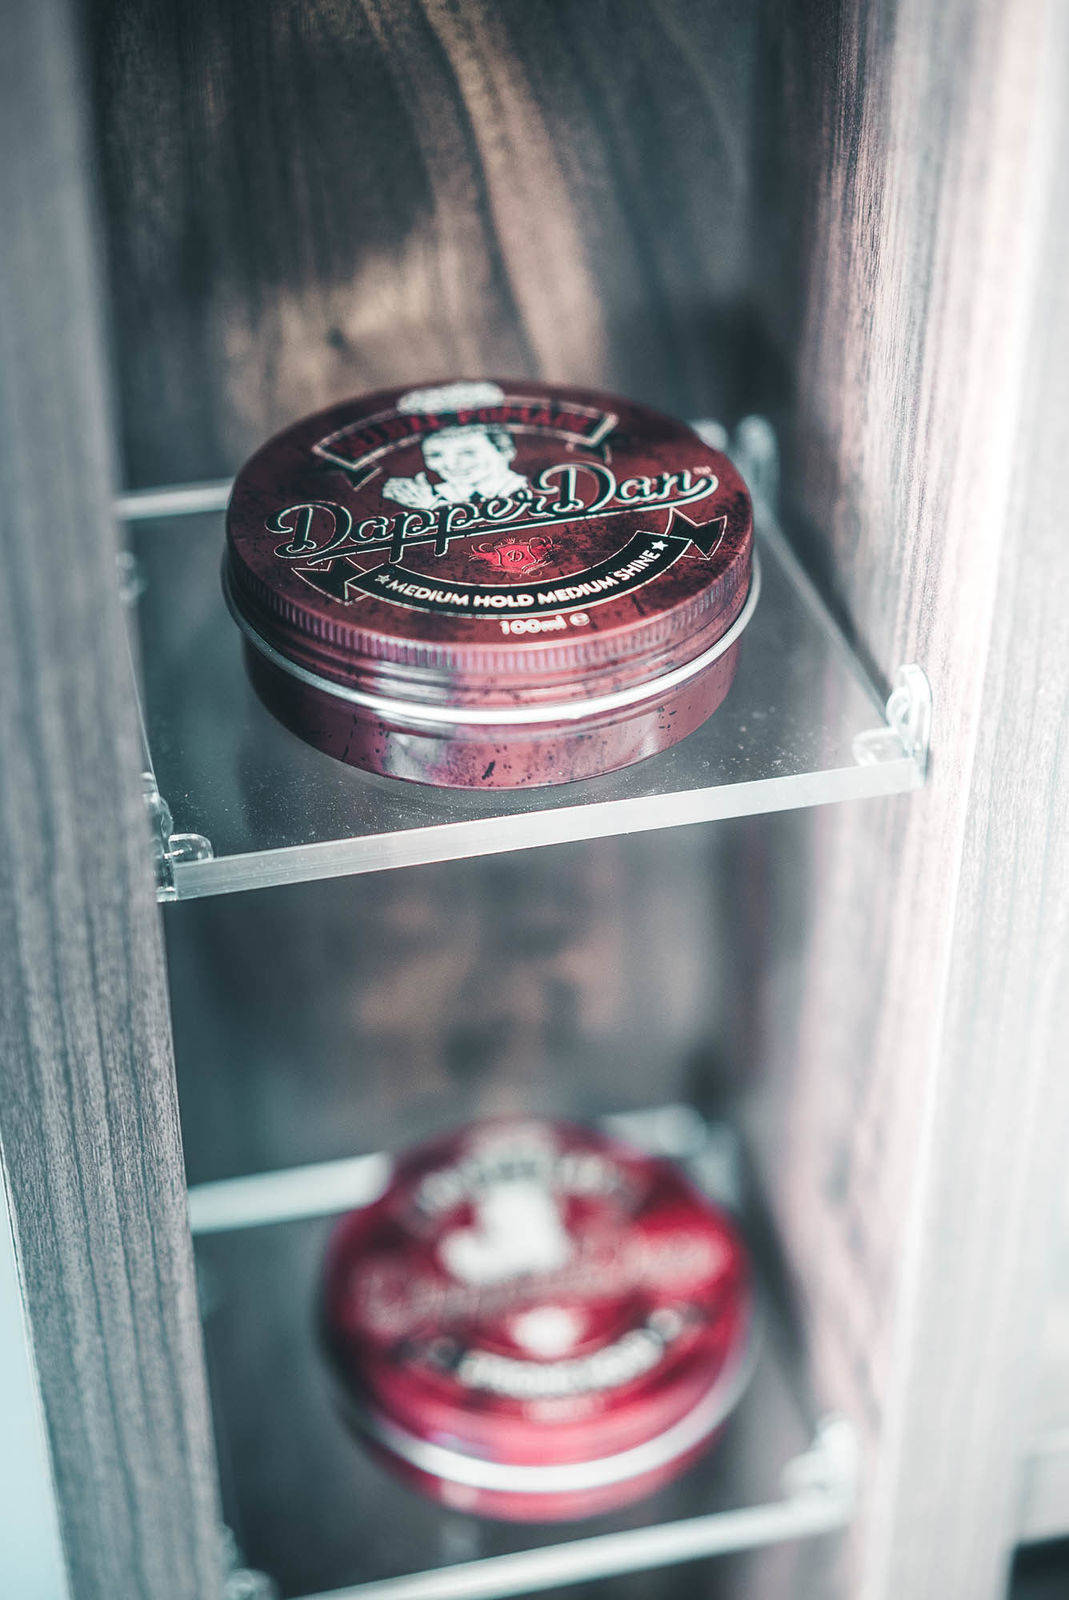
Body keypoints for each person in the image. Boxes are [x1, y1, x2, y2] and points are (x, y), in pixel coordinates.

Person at [383, 422, 530, 510]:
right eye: (435, 455)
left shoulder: (530, 487)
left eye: (467, 452)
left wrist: (433, 507)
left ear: (505, 451)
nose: (451, 464)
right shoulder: (422, 495)